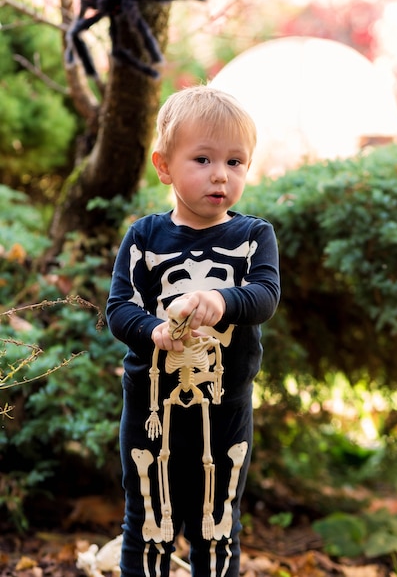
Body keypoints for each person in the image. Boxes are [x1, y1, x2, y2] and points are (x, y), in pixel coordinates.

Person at [106, 84, 280, 577]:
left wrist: (219, 299)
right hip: (150, 405)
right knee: (147, 523)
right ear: (164, 166)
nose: (220, 175)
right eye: (202, 159)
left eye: (236, 162)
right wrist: (154, 330)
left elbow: (264, 296)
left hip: (225, 406)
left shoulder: (252, 237)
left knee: (217, 521)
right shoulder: (144, 237)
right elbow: (119, 308)